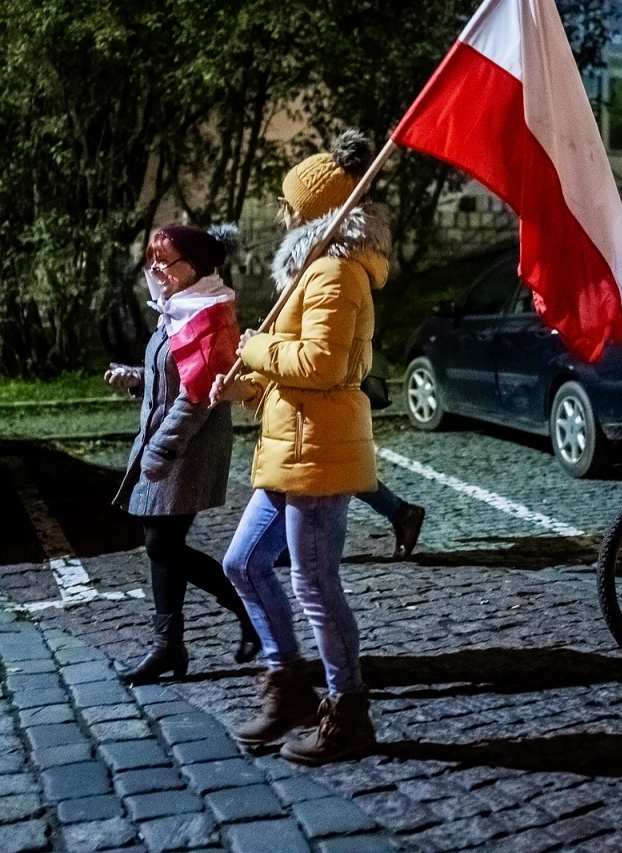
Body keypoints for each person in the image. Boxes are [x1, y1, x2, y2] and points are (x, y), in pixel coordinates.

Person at [212, 130, 388, 766]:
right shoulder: (311, 268)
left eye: (289, 203)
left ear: (313, 210)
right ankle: (288, 686)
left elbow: (321, 365)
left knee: (314, 583)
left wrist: (255, 349)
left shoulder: (336, 273)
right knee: (243, 563)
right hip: (291, 443)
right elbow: (296, 373)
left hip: (320, 449)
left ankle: (348, 711)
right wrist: (248, 389)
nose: (281, 211)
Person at [107, 223, 261, 685]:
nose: (156, 269)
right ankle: (168, 646)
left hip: (187, 449)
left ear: (194, 266)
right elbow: (172, 373)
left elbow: (197, 396)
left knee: (162, 544)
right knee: (161, 543)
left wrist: (163, 449)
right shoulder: (177, 306)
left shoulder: (209, 313)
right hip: (167, 442)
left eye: (166, 261)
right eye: (152, 259)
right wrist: (137, 378)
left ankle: (247, 609)